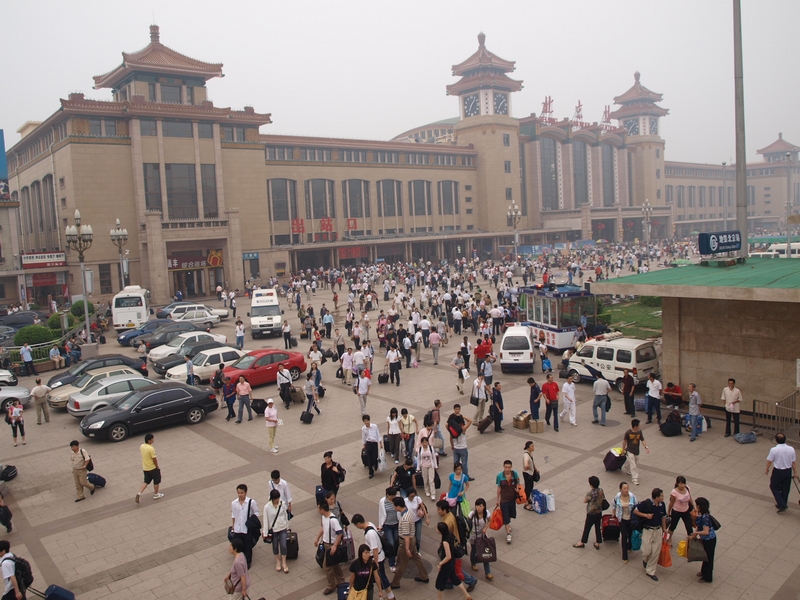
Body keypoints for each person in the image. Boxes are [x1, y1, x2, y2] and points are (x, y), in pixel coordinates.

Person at [352, 514, 396, 600]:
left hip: (377, 558)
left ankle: (391, 596)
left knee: (381, 578)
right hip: (378, 556)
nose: (357, 527)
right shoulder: (370, 524)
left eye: (356, 525)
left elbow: (375, 549)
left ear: (358, 524)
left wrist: (375, 563)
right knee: (380, 577)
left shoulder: (370, 534)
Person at [389, 496, 429, 588]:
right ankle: (424, 576)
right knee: (417, 558)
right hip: (412, 539)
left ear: (398, 506)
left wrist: (407, 549)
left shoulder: (405, 518)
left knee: (401, 563)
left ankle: (395, 582)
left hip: (406, 542)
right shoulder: (409, 511)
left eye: (394, 506)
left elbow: (406, 535)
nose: (394, 507)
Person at [633, 488, 668, 581]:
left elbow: (663, 517)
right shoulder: (646, 504)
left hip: (658, 530)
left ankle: (651, 571)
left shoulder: (662, 505)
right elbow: (635, 511)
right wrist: (646, 515)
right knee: (646, 551)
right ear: (656, 497)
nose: (663, 497)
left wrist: (664, 529)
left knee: (655, 552)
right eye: (661, 496)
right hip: (647, 530)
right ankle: (645, 559)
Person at [435, 521, 472, 600]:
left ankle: (439, 598)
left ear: (441, 531)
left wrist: (440, 563)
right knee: (455, 579)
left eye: (437, 528)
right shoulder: (450, 534)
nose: (436, 529)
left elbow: (448, 556)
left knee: (440, 583)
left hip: (447, 564)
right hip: (452, 562)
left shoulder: (445, 541)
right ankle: (467, 596)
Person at [315, 500, 346, 595]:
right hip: (326, 544)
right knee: (335, 565)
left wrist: (335, 546)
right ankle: (341, 582)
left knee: (327, 567)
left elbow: (340, 533)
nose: (318, 510)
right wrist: (317, 538)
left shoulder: (333, 520)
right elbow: (323, 528)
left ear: (322, 510)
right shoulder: (324, 517)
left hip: (331, 545)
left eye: (319, 509)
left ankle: (332, 585)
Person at [766, 433, 798, 513]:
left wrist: (767, 469)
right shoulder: (791, 449)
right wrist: (795, 472)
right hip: (788, 471)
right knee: (785, 488)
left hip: (778, 471)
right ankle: (783, 503)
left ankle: (782, 504)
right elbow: (793, 462)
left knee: (774, 486)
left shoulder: (774, 450)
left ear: (776, 440)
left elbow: (769, 461)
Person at [231, 484, 259, 569]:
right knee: (238, 546)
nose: (240, 494)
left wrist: (251, 520)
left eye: (242, 493)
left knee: (247, 545)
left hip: (247, 528)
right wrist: (233, 525)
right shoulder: (234, 503)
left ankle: (248, 562)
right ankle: (239, 561)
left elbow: (256, 512)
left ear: (246, 492)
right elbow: (233, 514)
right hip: (237, 528)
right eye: (238, 493)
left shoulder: (251, 502)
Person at [573, 476, 606, 550]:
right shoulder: (601, 490)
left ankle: (582, 542)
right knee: (598, 527)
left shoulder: (590, 493)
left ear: (591, 485)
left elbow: (585, 501)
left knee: (587, 528)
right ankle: (598, 542)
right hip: (599, 512)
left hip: (591, 513)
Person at [263, 488, 290, 573]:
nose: (277, 500)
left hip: (282, 527)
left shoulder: (282, 504)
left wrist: (287, 526)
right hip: (273, 529)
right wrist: (265, 532)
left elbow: (285, 515)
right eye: (275, 499)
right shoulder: (267, 507)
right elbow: (265, 520)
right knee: (275, 546)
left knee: (283, 545)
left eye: (278, 498)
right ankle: (278, 561)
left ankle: (284, 562)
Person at [691, 497, 717, 583]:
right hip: (705, 539)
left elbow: (706, 532)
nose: (696, 506)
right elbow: (699, 525)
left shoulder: (705, 518)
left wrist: (696, 533)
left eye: (697, 505)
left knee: (709, 558)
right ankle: (703, 572)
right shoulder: (700, 514)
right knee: (705, 556)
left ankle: (707, 577)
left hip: (709, 540)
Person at [468, 498, 493, 580]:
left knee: (485, 553)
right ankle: (473, 563)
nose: (478, 508)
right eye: (477, 506)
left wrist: (486, 528)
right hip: (473, 536)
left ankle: (488, 572)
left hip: (483, 536)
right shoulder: (472, 514)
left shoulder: (486, 513)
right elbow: (467, 523)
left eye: (480, 506)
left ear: (484, 507)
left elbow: (490, 520)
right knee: (474, 551)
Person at [495, 460, 520, 544]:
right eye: (506, 467)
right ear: (503, 467)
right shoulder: (499, 476)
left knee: (511, 514)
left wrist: (517, 488)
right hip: (504, 500)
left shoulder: (515, 474)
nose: (507, 469)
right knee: (506, 516)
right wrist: (497, 499)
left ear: (511, 467)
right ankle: (508, 534)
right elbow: (499, 488)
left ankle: (508, 524)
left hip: (512, 499)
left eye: (509, 467)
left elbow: (518, 482)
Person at [612, 482, 637, 563]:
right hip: (622, 519)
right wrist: (613, 513)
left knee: (630, 534)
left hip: (631, 519)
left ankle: (629, 546)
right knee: (624, 536)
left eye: (627, 488)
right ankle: (624, 556)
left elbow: (636, 506)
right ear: (620, 489)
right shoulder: (617, 497)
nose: (626, 490)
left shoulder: (632, 496)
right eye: (624, 488)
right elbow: (613, 505)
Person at [136, 433, 164, 503]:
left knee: (146, 481)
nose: (153, 440)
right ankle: (156, 494)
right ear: (149, 440)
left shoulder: (142, 446)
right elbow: (154, 459)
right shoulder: (151, 448)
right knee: (156, 480)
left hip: (145, 468)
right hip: (152, 467)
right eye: (152, 439)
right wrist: (157, 466)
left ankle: (139, 493)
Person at [377, 487, 400, 571]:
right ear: (387, 495)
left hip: (396, 524)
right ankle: (391, 563)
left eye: (394, 495)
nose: (393, 497)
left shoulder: (397, 500)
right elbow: (381, 514)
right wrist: (380, 525)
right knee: (391, 544)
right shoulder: (383, 501)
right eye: (392, 496)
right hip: (387, 525)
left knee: (396, 542)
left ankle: (394, 556)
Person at [622, 419, 649, 486]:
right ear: (635, 426)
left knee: (635, 461)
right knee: (633, 464)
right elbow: (624, 441)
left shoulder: (639, 432)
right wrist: (623, 450)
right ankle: (635, 478)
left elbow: (642, 440)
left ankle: (627, 467)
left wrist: (646, 447)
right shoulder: (628, 432)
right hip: (629, 450)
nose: (640, 426)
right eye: (639, 425)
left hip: (636, 451)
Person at [449, 406, 473, 480]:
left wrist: (452, 445)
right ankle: (466, 477)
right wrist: (462, 416)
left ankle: (455, 476)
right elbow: (470, 421)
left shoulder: (452, 430)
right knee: (464, 463)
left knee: (456, 463)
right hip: (463, 448)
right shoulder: (463, 429)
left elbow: (450, 438)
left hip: (455, 448)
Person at [362, 414, 382, 479]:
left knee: (375, 456)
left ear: (369, 420)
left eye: (367, 421)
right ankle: (371, 472)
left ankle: (375, 464)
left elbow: (378, 434)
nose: (366, 422)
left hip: (374, 443)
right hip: (368, 444)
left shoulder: (374, 426)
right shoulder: (363, 429)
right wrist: (364, 445)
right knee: (369, 458)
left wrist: (380, 443)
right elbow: (364, 437)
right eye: (364, 421)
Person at [521, 441, 537, 511]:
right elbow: (526, 464)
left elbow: (532, 462)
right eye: (532, 446)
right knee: (528, 488)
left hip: (530, 473)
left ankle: (528, 499)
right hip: (527, 474)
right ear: (528, 447)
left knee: (530, 487)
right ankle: (526, 503)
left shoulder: (530, 453)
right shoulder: (526, 455)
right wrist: (528, 468)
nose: (533, 447)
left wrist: (535, 468)